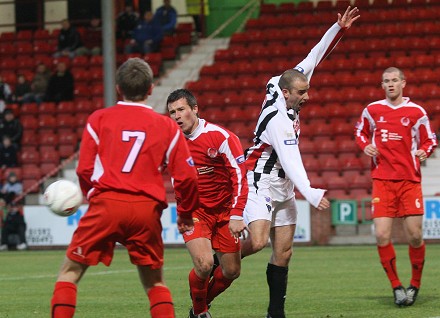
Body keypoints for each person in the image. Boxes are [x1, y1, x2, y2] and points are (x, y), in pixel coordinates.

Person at [50, 57, 199, 318]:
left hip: (106, 204)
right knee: (155, 283)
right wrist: (185, 213)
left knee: (69, 274)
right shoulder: (166, 126)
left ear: (118, 88)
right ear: (151, 88)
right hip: (146, 210)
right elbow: (187, 177)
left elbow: (84, 169)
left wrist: (92, 197)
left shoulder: (99, 119)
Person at [240, 7, 360, 318]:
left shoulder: (288, 83)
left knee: (284, 252)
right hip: (260, 180)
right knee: (256, 242)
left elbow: (314, 55)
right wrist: (309, 190)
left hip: (284, 185)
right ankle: (221, 259)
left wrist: (338, 29)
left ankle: (275, 313)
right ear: (285, 93)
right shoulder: (277, 119)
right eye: (302, 93)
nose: (307, 96)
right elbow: (292, 158)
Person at [354, 67, 438, 307]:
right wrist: (364, 146)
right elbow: (360, 132)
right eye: (386, 81)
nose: (390, 84)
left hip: (409, 181)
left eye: (394, 80)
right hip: (382, 180)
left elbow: (430, 139)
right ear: (382, 85)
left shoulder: (416, 112)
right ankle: (396, 287)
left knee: (415, 236)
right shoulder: (372, 110)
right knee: (381, 234)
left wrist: (425, 150)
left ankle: (415, 284)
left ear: (403, 83)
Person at [167, 89, 248, 318]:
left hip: (225, 212)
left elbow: (240, 177)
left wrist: (236, 213)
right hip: (194, 211)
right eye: (172, 112)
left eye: (181, 109)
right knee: (203, 264)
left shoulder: (221, 137)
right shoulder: (172, 143)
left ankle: (198, 305)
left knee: (231, 271)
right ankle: (201, 313)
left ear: (195, 109)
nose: (177, 116)